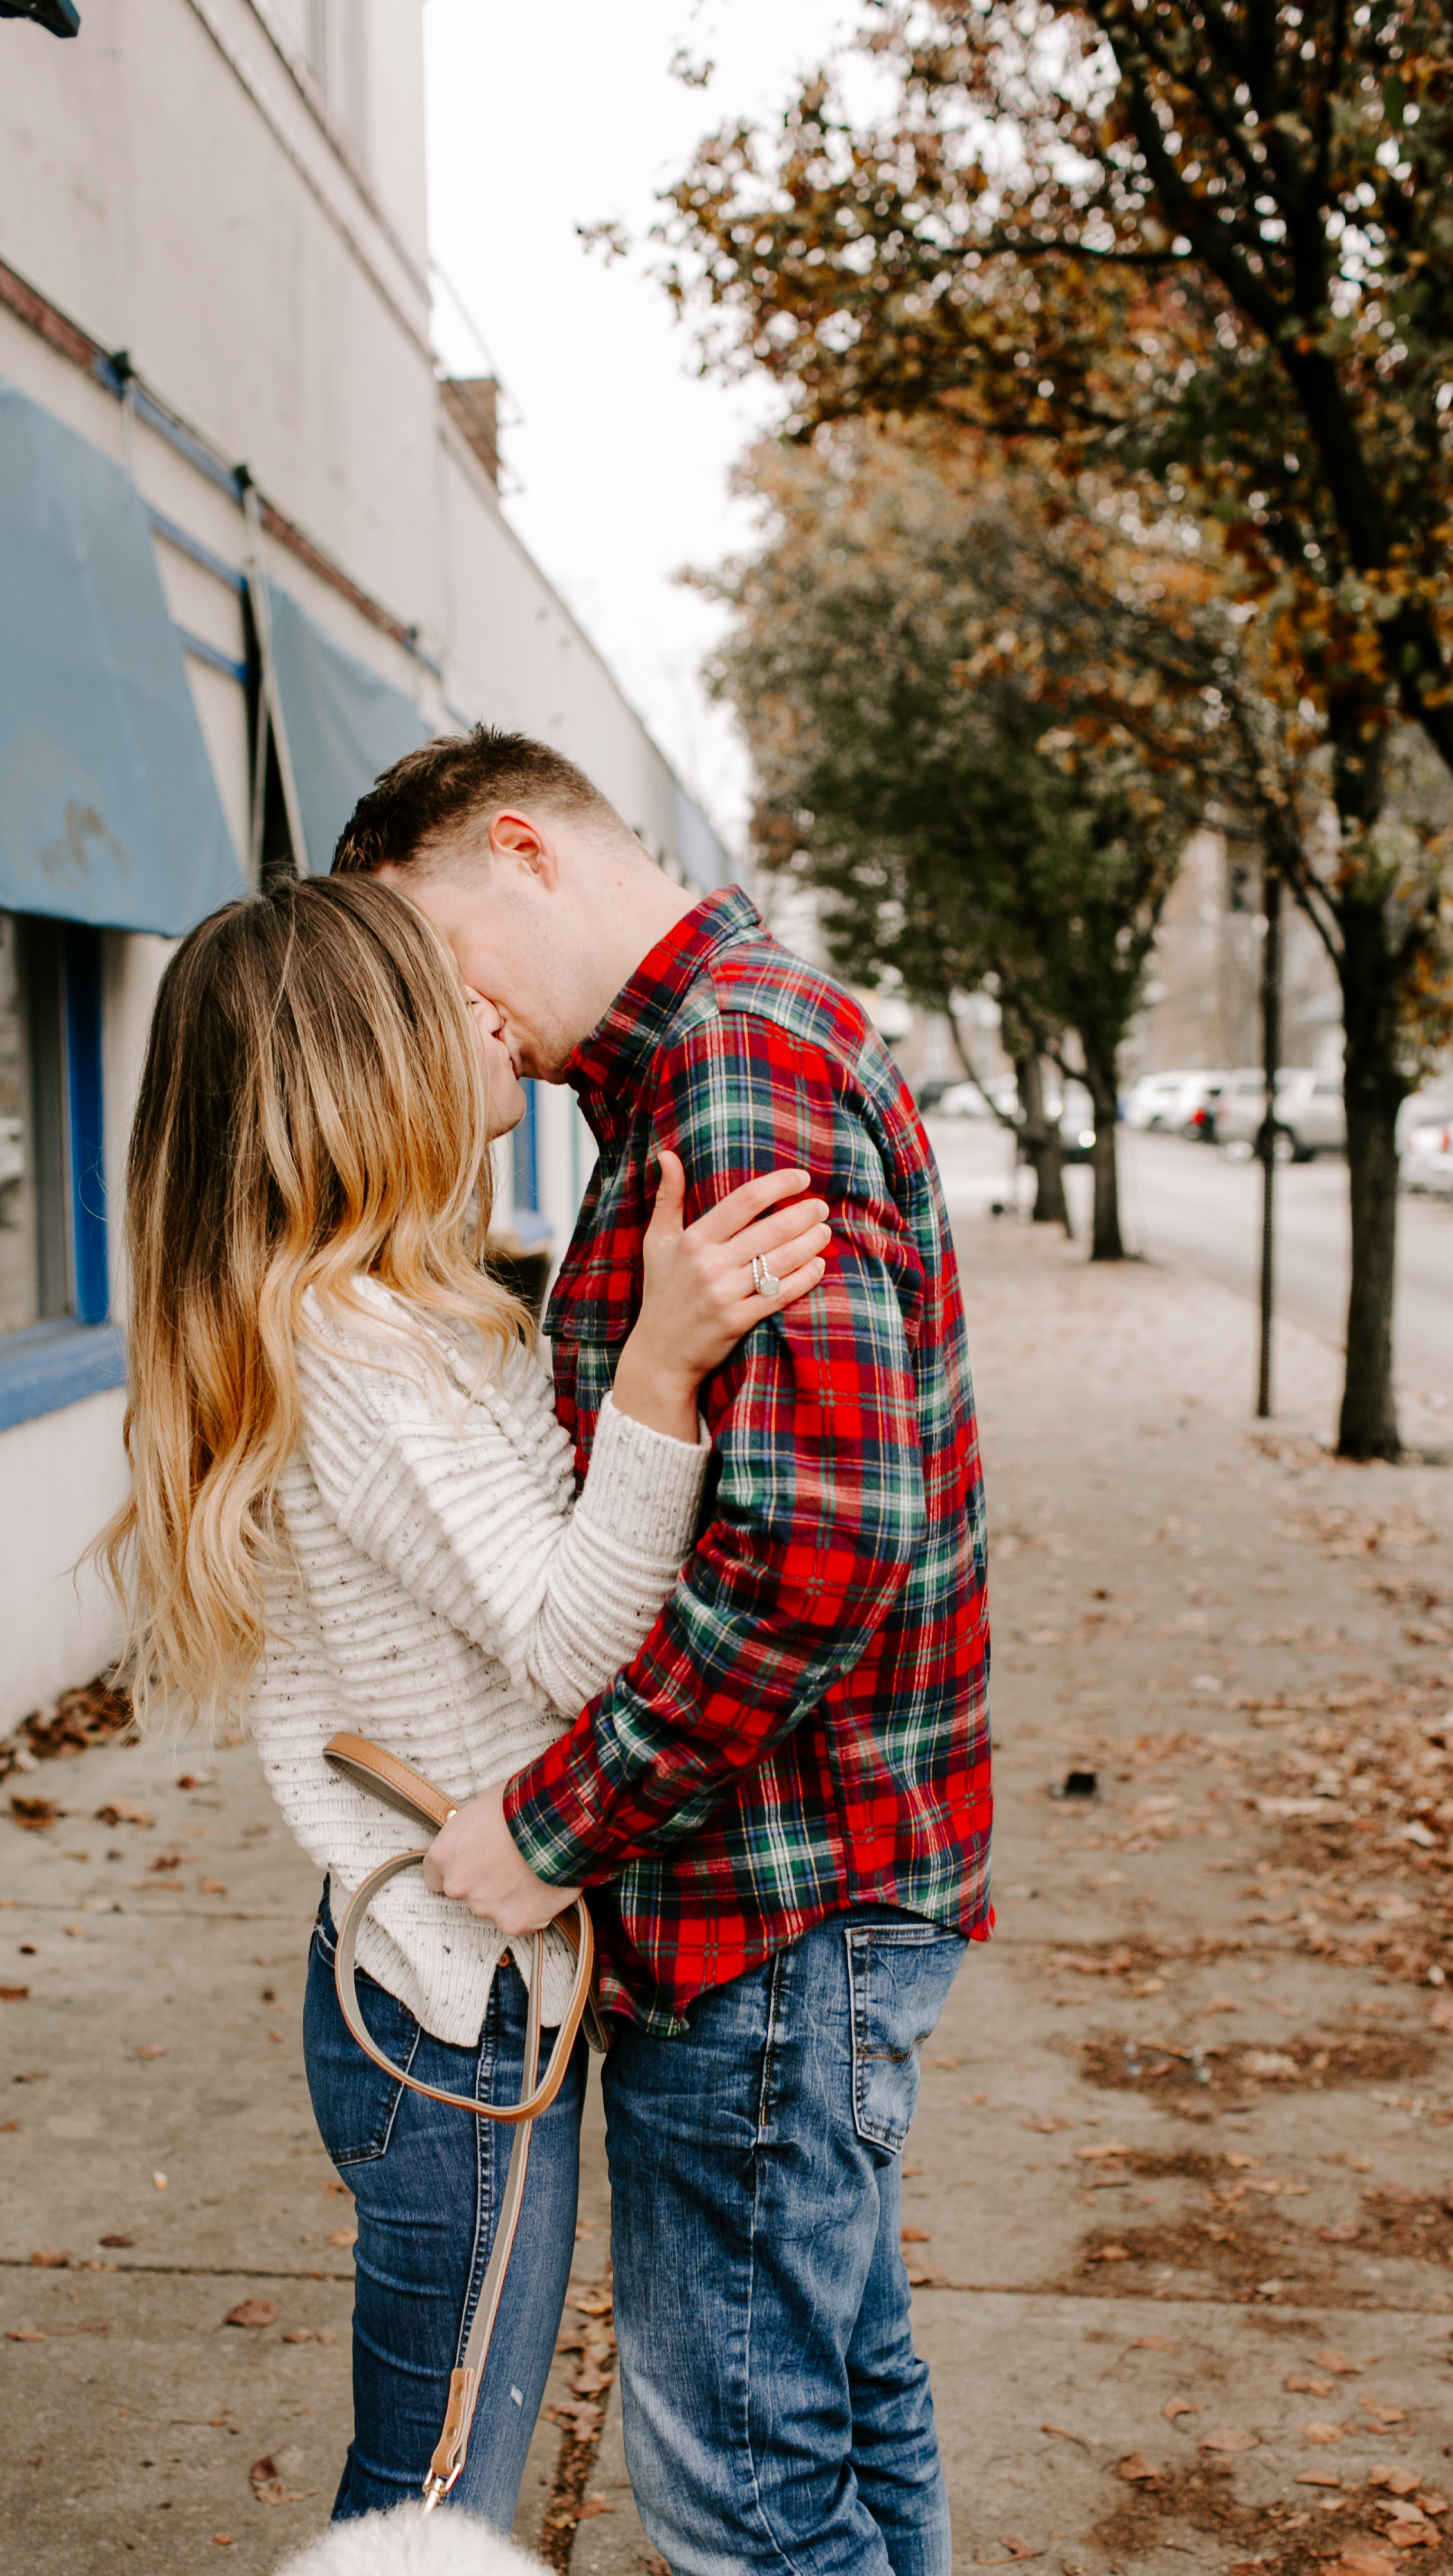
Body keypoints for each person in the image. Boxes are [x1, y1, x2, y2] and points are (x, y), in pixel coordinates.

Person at [334, 731, 993, 2576]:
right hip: (812, 1888)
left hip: (768, 1911)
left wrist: (546, 1827)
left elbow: (812, 1545)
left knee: (746, 2498)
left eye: (434, 953)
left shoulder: (740, 1064)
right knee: (848, 2414)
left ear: (523, 851)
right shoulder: (696, 1071)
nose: (440, 1015)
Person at [99, 873, 829, 2530]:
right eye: (441, 991)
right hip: (450, 2005)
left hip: (447, 1981)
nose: (489, 1008)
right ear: (368, 1065)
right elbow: (575, 1648)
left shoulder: (386, 1315)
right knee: (436, 2496)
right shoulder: (359, 1352)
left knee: (444, 2473)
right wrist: (657, 1371)